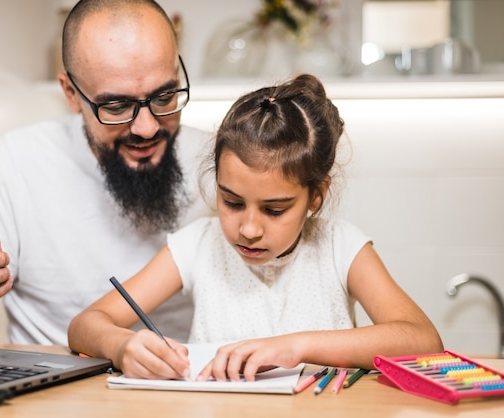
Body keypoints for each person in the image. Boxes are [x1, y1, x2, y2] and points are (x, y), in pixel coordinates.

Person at [67, 74, 444, 382]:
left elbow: (423, 340)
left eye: (274, 209)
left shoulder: (340, 246)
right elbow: (85, 325)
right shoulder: (199, 244)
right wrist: (121, 346)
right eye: (231, 202)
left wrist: (295, 346)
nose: (248, 228)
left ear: (316, 197)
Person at [0, 0, 212, 345]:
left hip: (183, 387)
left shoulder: (218, 163)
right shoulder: (18, 160)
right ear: (71, 94)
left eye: (164, 97)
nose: (147, 128)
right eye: (117, 106)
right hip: (49, 390)